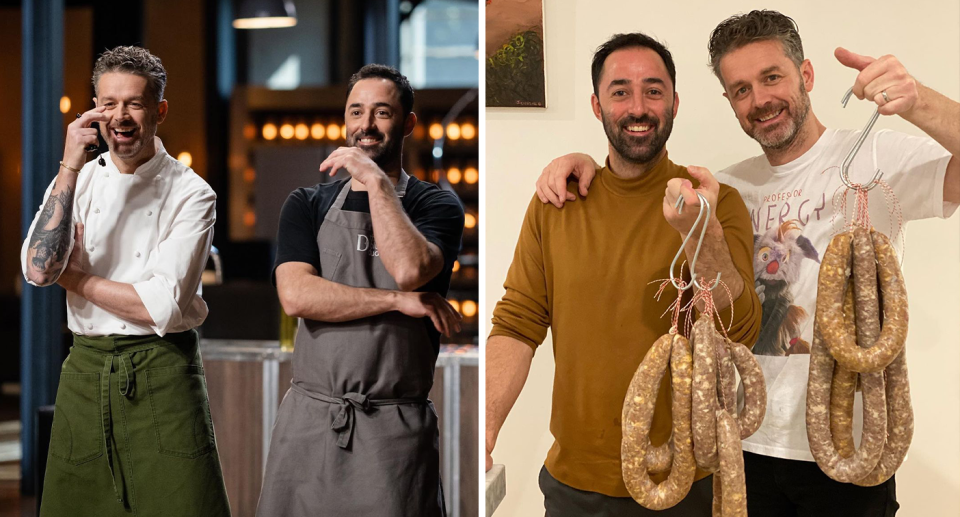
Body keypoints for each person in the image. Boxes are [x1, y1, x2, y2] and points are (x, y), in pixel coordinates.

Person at [536, 10, 958, 516]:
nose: (759, 100)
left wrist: (920, 102)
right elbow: (639, 173)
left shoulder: (873, 156)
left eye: (771, 77)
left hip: (848, 449)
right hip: (737, 450)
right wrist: (581, 163)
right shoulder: (726, 188)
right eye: (740, 89)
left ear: (805, 75)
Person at [486, 33, 762, 516]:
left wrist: (700, 233)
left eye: (653, 91)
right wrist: (484, 428)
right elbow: (517, 322)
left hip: (684, 483)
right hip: (572, 485)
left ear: (675, 102)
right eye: (620, 92)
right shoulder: (557, 204)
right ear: (597, 105)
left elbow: (739, 331)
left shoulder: (718, 204)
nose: (638, 107)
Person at [21, 46, 230, 516]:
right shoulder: (76, 183)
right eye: (109, 103)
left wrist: (72, 276)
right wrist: (69, 164)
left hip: (164, 374)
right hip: (85, 373)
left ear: (159, 110)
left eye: (134, 103)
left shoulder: (192, 193)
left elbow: (159, 306)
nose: (121, 116)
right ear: (95, 110)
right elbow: (37, 270)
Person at [257, 64, 465, 517]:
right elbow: (297, 296)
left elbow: (409, 268)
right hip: (309, 424)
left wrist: (373, 180)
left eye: (382, 112)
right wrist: (393, 301)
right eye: (356, 111)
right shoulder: (305, 204)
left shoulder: (436, 205)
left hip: (394, 432)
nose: (366, 125)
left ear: (408, 123)